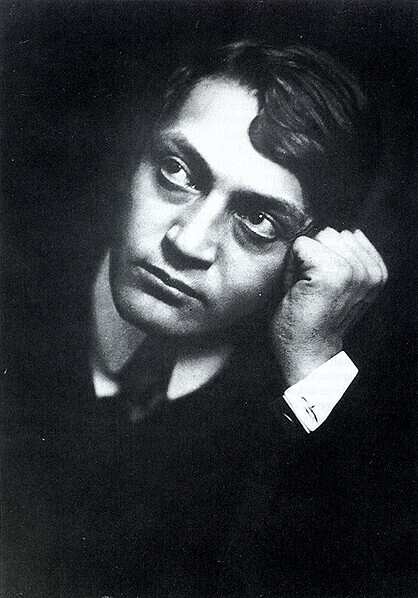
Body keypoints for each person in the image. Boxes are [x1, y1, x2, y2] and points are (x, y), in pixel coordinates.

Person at [5, 41, 391, 597]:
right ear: (132, 162)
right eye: (176, 170)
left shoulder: (301, 409)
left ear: (307, 257)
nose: (186, 242)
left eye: (258, 219)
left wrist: (314, 365)